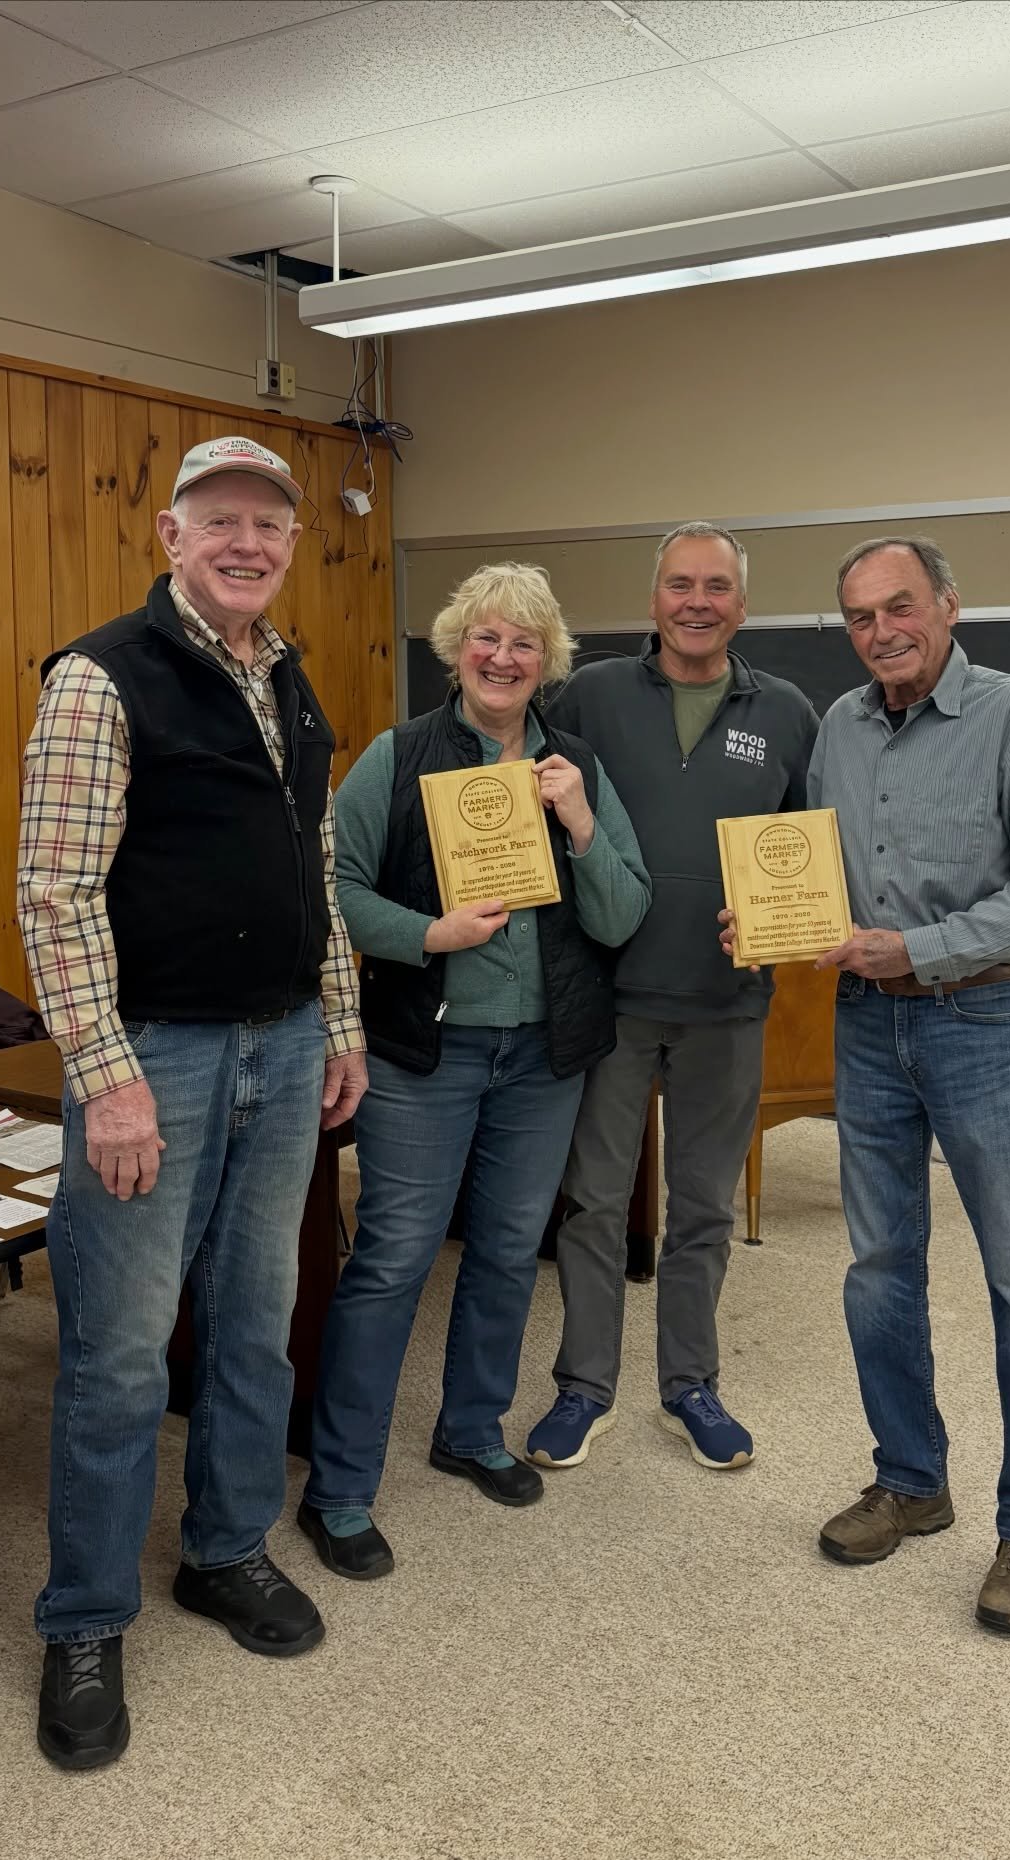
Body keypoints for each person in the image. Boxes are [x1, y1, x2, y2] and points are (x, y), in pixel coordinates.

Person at [17, 436, 367, 1769]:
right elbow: (55, 895)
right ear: (171, 532)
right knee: (117, 1357)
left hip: (283, 1053)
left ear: (289, 547)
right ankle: (86, 1619)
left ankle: (224, 1550)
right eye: (219, 521)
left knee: (255, 1327)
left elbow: (319, 868)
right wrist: (106, 1086)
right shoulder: (103, 676)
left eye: (268, 528)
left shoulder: (293, 681)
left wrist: (337, 1019)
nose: (247, 543)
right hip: (153, 1057)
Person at [297, 564, 650, 1580]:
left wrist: (580, 821)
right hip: (429, 1050)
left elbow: (621, 915)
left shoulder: (574, 761)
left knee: (503, 1250)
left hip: (543, 1057)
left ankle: (471, 1429)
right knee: (396, 1258)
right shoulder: (398, 757)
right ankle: (342, 1487)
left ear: (548, 663)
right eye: (487, 639)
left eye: (525, 644)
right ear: (457, 649)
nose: (504, 658)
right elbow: (333, 893)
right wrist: (426, 932)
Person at [802, 534, 1010, 1634]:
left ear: (947, 606)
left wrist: (915, 951)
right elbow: (818, 870)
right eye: (862, 617)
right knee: (880, 1267)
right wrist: (774, 920)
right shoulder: (839, 725)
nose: (883, 631)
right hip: (866, 1027)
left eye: (899, 606)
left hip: (982, 1019)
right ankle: (912, 1481)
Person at [525, 521, 819, 1474]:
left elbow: (810, 850)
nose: (699, 602)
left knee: (700, 1208)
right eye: (681, 585)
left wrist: (785, 924)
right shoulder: (588, 695)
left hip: (726, 1001)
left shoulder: (787, 712)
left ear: (744, 604)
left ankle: (690, 1384)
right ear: (653, 600)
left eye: (718, 587)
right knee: (595, 1203)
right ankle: (583, 1386)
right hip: (608, 999)